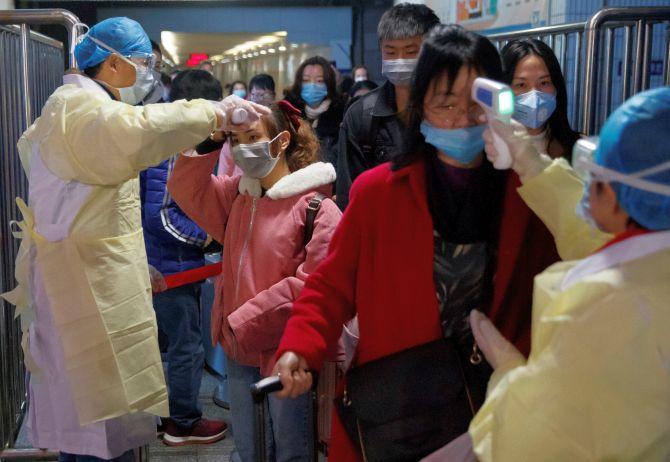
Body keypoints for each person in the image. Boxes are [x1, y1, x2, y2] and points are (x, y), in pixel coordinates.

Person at [272, 24, 564, 462]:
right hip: (400, 409)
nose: (463, 118)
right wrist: (301, 345)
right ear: (421, 107)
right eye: (445, 103)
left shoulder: (528, 193)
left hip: (499, 409)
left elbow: (560, 288)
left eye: (477, 103)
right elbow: (331, 285)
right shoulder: (379, 193)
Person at [0, 17, 268, 462]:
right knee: (95, 427)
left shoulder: (85, 110)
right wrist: (214, 112)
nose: (146, 73)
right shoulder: (79, 111)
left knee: (110, 422)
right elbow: (139, 131)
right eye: (142, 63)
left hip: (95, 277)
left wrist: (135, 267)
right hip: (82, 296)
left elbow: (92, 213)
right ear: (112, 64)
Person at [427, 87, 670, 462]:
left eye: (595, 177)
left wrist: (511, 378)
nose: (588, 189)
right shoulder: (653, 254)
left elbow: (531, 443)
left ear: (622, 194)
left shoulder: (604, 306)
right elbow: (594, 235)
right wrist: (528, 160)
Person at [168, 101, 342, 462]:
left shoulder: (317, 209)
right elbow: (184, 187)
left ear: (280, 142)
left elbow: (314, 286)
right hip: (238, 348)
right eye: (235, 139)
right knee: (250, 448)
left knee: (293, 449)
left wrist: (244, 320)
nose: (242, 148)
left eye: (253, 137)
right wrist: (213, 138)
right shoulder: (237, 197)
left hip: (287, 351)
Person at [139, 69, 227, 446]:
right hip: (171, 266)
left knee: (173, 346)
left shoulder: (178, 143)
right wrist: (204, 238)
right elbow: (159, 214)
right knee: (185, 348)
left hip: (174, 264)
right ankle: (183, 422)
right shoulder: (172, 149)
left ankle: (167, 416)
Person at [335, 2, 440, 210]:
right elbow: (350, 198)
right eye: (390, 52)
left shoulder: (451, 113)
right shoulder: (361, 115)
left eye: (411, 52)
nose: (400, 61)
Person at [502, 38, 580, 158]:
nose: (534, 96)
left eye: (544, 83)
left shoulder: (578, 149)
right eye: (521, 85)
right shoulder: (489, 151)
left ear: (556, 87)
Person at [283, 55, 345, 166]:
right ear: (299, 83)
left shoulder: (342, 112)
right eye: (306, 80)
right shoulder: (286, 112)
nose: (312, 85)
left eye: (319, 80)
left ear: (328, 83)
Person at [142, 39, 167, 104]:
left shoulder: (163, 108)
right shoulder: (114, 105)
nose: (151, 71)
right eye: (146, 64)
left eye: (157, 66)